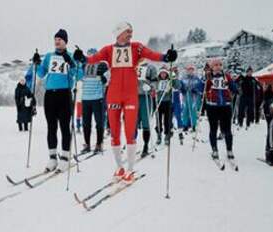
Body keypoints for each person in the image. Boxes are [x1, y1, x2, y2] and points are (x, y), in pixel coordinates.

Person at [74, 21, 176, 181]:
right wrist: (82, 58)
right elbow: (93, 59)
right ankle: (119, 167)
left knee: (130, 131)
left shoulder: (137, 47)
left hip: (130, 94)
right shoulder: (108, 49)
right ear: (119, 33)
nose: (131, 34)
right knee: (114, 133)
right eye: (128, 31)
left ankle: (130, 169)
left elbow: (152, 55)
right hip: (113, 94)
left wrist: (166, 57)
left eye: (131, 31)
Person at [33, 29, 82, 172]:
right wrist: (37, 62)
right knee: (51, 127)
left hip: (64, 94)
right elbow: (41, 73)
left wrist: (73, 63)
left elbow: (79, 75)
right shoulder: (49, 56)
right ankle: (52, 158)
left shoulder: (71, 56)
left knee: (64, 127)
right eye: (55, 39)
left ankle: (65, 157)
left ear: (65, 41)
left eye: (60, 39)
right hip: (50, 95)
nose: (57, 41)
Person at [204, 58, 237, 160]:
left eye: (220, 65)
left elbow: (234, 88)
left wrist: (233, 86)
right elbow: (204, 89)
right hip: (212, 106)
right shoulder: (208, 76)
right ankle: (214, 150)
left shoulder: (226, 76)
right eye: (216, 65)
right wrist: (207, 83)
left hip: (225, 106)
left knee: (227, 130)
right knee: (213, 129)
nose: (218, 67)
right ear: (212, 67)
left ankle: (229, 150)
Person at [80, 48, 107, 154]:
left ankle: (99, 144)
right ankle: (87, 144)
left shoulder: (102, 65)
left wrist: (105, 78)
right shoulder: (84, 66)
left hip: (98, 98)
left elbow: (110, 75)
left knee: (99, 122)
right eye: (89, 55)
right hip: (85, 98)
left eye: (93, 56)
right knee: (86, 123)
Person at [137, 63, 158, 156]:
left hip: (145, 96)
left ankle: (145, 145)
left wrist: (151, 87)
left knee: (146, 121)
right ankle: (132, 145)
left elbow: (155, 81)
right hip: (133, 96)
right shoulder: (132, 65)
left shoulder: (151, 67)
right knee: (132, 122)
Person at [180, 64, 204, 132]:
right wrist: (182, 90)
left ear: (193, 70)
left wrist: (196, 90)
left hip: (193, 97)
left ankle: (193, 125)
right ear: (187, 71)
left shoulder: (196, 79)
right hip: (185, 97)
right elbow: (180, 86)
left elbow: (201, 87)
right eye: (189, 70)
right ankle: (185, 125)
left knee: (193, 111)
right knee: (185, 111)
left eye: (191, 70)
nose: (190, 71)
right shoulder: (183, 79)